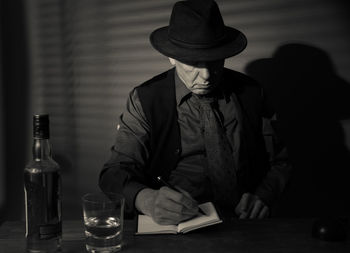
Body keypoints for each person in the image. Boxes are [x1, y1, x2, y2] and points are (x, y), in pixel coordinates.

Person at [99, 0, 291, 225]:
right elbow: (113, 173)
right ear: (171, 57)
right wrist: (147, 199)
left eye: (214, 61)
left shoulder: (252, 93)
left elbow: (281, 162)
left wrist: (264, 196)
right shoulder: (145, 99)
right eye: (193, 63)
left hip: (244, 222)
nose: (207, 75)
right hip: (175, 227)